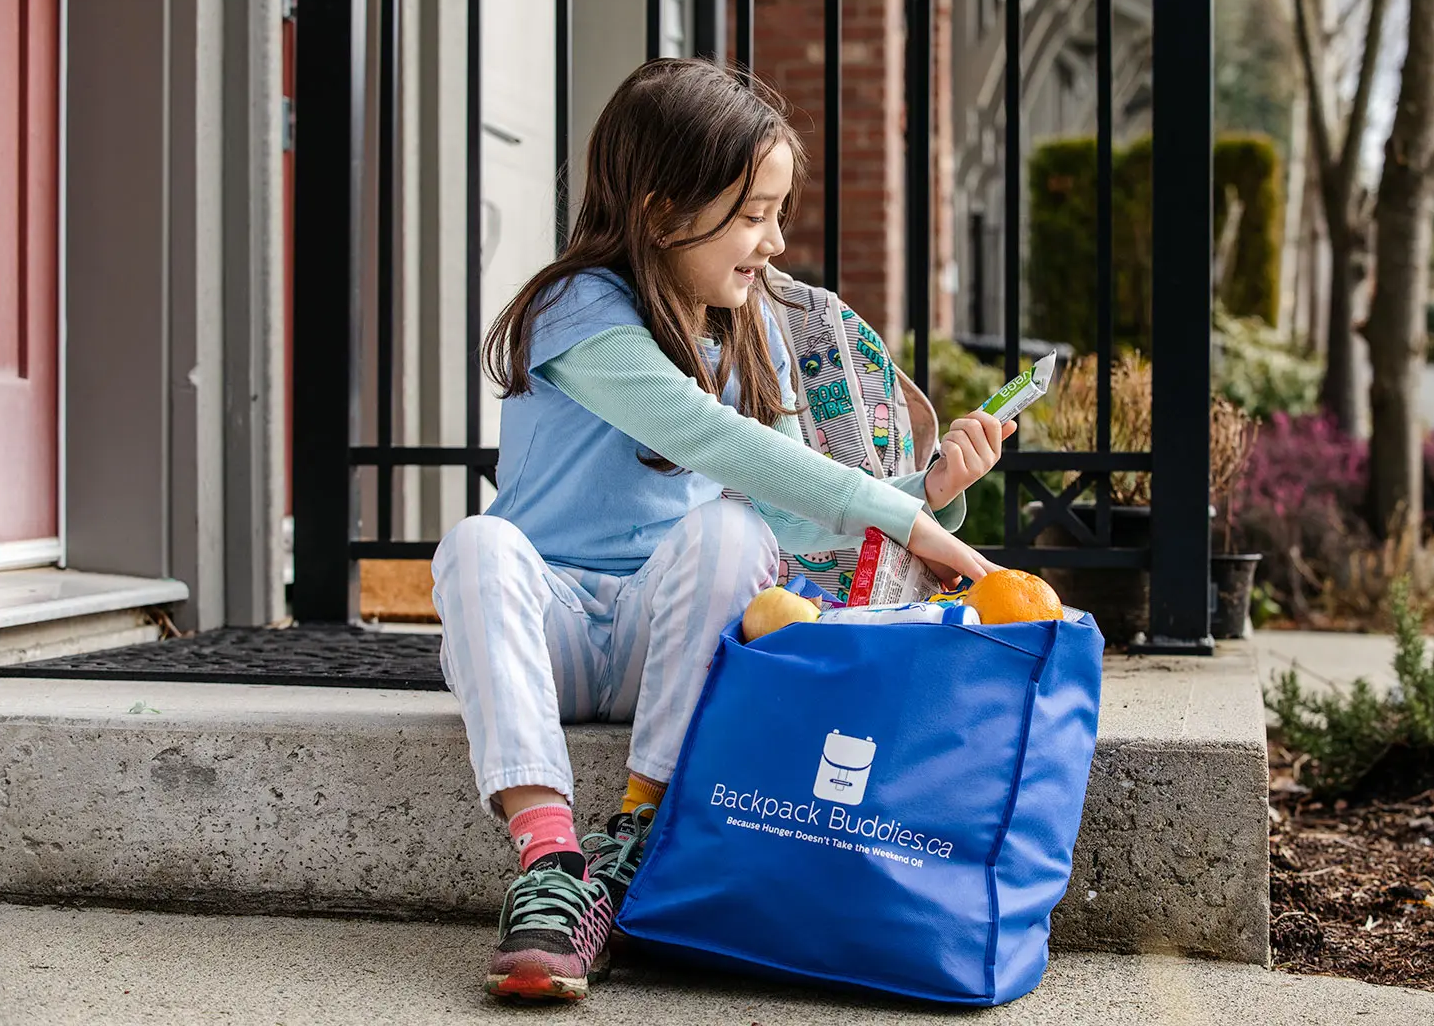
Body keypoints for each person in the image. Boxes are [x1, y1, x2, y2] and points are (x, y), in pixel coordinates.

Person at [431, 57, 1014, 1002]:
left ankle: (635, 832)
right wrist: (905, 516)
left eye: (778, 215)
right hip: (549, 635)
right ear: (663, 213)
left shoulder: (745, 331)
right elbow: (703, 434)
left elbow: (784, 506)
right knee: (476, 543)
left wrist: (930, 490)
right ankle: (549, 862)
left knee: (737, 531)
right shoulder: (576, 309)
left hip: (668, 641)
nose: (775, 243)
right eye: (753, 216)